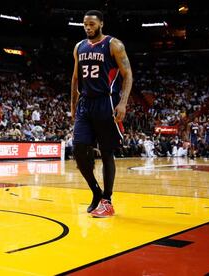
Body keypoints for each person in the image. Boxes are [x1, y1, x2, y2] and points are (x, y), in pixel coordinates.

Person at [70, 10, 132, 218]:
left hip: (106, 102)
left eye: (92, 24)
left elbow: (128, 74)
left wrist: (123, 103)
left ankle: (107, 200)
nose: (88, 27)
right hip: (85, 104)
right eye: (85, 24)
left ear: (101, 24)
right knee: (79, 150)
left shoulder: (114, 44)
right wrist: (72, 104)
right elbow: (75, 77)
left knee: (107, 153)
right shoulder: (79, 47)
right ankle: (96, 192)